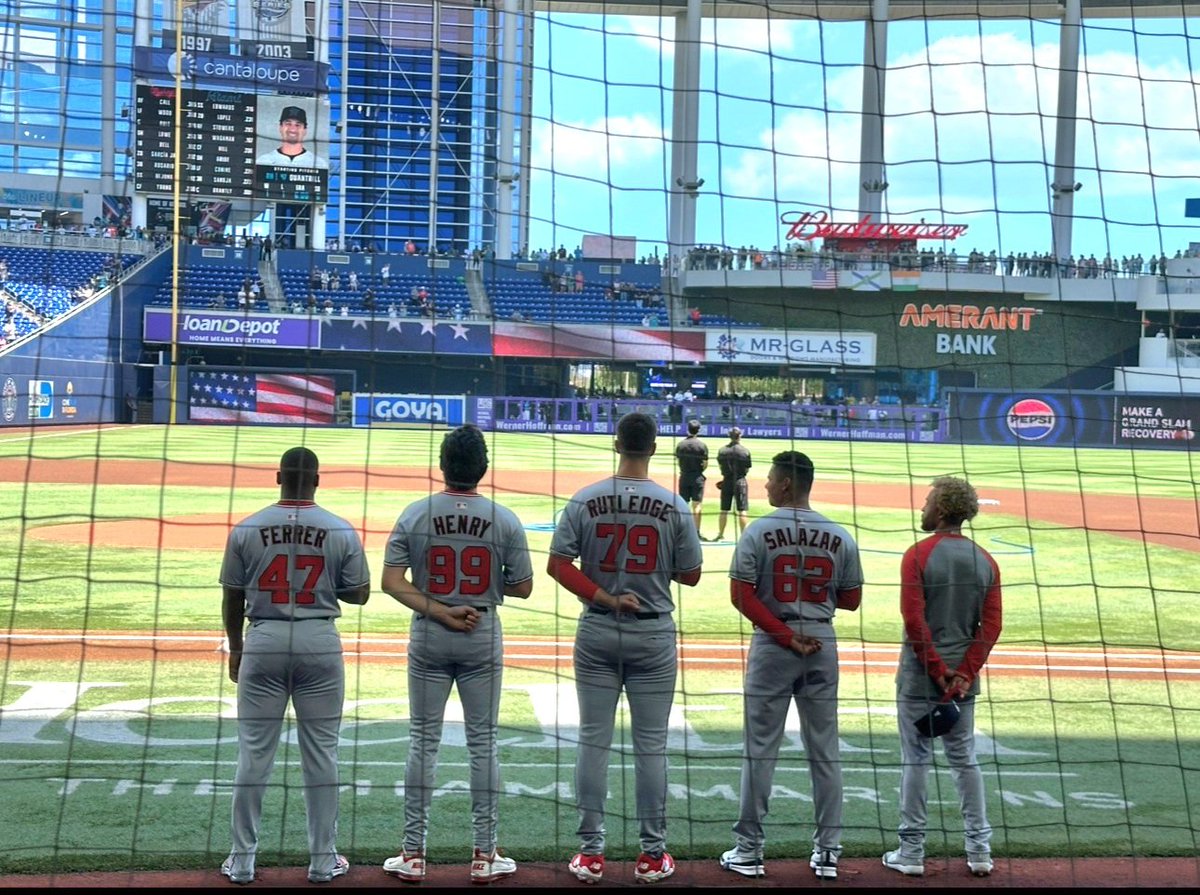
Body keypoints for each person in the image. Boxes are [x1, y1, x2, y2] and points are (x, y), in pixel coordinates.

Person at [548, 412, 703, 885]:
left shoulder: (585, 497)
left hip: (597, 627)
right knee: (651, 746)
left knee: (593, 741)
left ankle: (591, 854)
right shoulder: (673, 503)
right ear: (654, 449)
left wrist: (605, 594)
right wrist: (654, 572)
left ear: (616, 444)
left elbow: (558, 565)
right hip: (653, 634)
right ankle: (652, 855)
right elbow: (692, 574)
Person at [381, 425, 534, 885]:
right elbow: (523, 586)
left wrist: (441, 609)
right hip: (481, 629)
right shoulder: (504, 518)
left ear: (442, 466)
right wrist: (483, 590)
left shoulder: (415, 512)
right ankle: (485, 855)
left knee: (422, 741)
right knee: (483, 742)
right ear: (483, 468)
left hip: (430, 630)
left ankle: (412, 853)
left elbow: (392, 581)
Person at [219, 447, 371, 885]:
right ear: (318, 480)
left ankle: (242, 861)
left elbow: (232, 596)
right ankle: (323, 862)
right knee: (322, 754)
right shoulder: (339, 528)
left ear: (277, 476)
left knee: (254, 753)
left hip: (263, 639)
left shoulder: (248, 527)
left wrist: (236, 648)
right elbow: (359, 593)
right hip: (318, 641)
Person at [719, 450, 863, 882]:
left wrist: (785, 633)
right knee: (825, 750)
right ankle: (827, 853)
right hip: (822, 641)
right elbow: (853, 600)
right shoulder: (839, 533)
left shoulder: (758, 531)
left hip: (773, 644)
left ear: (785, 485)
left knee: (760, 749)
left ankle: (749, 851)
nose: (764, 484)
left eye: (769, 479)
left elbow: (740, 595)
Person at [882, 476, 1002, 879]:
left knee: (916, 759)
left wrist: (937, 671)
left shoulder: (918, 554)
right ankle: (979, 851)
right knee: (965, 760)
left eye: (929, 501)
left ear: (943, 509)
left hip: (920, 679)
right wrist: (964, 674)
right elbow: (992, 626)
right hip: (963, 685)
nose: (923, 507)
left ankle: (912, 851)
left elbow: (914, 621)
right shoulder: (986, 559)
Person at [713, 427, 752, 542]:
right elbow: (747, 468)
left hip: (726, 480)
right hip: (740, 481)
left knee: (724, 509)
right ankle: (744, 536)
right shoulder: (745, 451)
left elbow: (721, 467)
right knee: (742, 510)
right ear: (740, 436)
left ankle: (720, 534)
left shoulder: (722, 450)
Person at [256, 106, 328, 168]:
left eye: (298, 125)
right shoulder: (264, 160)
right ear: (280, 127)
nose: (293, 129)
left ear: (305, 130)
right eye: (288, 124)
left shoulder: (318, 163)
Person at [674, 418, 708, 536]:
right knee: (697, 505)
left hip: (684, 476)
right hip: (697, 476)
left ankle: (681, 531)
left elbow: (678, 461)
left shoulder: (681, 444)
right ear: (698, 430)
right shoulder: (702, 445)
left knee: (683, 506)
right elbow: (705, 464)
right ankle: (696, 532)